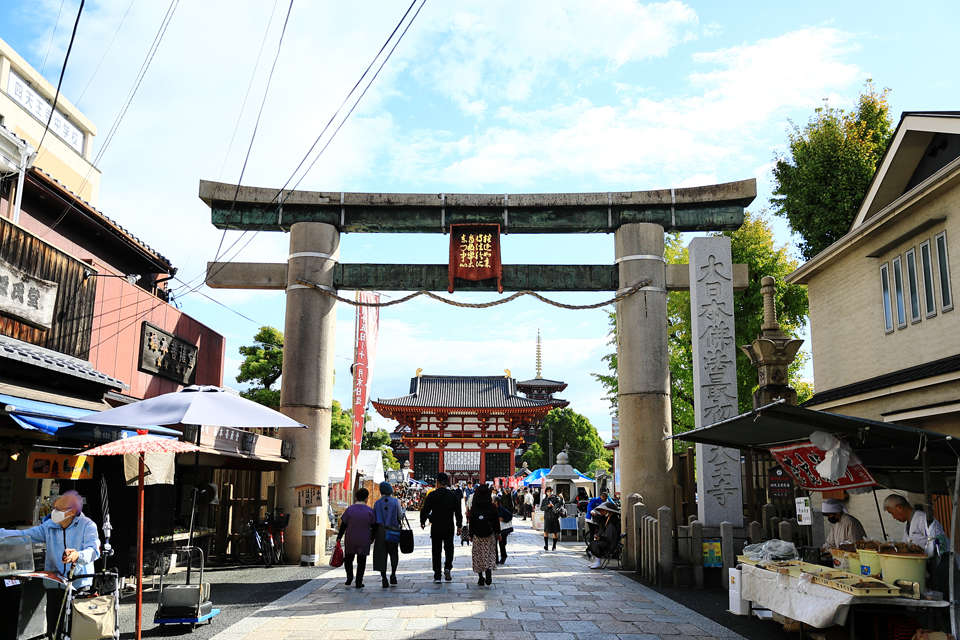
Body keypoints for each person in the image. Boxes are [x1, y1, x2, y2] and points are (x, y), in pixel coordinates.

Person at [0, 490, 101, 638]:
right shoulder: (49, 526)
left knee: (77, 630)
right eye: (54, 508)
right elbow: (23, 535)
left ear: (72, 511)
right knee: (55, 628)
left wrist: (78, 555)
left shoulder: (87, 525)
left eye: (58, 509)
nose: (54, 512)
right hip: (54, 584)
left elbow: (93, 551)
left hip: (78, 584)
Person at [884, 493, 950, 590]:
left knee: (945, 593)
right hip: (930, 565)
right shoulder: (909, 524)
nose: (893, 517)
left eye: (892, 513)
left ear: (899, 507)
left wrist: (925, 553)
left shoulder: (922, 518)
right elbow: (906, 545)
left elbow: (941, 542)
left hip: (943, 563)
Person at [420, 472, 463, 583]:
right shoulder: (453, 495)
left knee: (436, 550)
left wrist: (422, 521)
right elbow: (458, 512)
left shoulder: (432, 495)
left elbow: (425, 509)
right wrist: (459, 525)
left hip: (436, 526)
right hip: (449, 526)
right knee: (449, 548)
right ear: (447, 482)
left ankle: (437, 576)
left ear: (437, 482)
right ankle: (448, 567)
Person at [337, 488, 376, 588]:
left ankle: (349, 575)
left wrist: (339, 537)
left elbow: (343, 525)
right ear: (367, 499)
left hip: (351, 538)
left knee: (348, 559)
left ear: (355, 497)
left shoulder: (350, 509)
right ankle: (359, 581)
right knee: (361, 561)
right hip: (364, 538)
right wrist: (372, 538)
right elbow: (374, 526)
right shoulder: (370, 511)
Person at [468, 484, 501, 586]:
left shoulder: (474, 507)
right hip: (489, 535)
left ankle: (480, 577)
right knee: (489, 554)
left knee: (478, 556)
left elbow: (471, 522)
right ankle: (488, 570)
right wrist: (498, 533)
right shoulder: (492, 507)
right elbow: (496, 522)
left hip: (477, 535)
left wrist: (470, 534)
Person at [373, 481, 402, 588]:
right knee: (393, 553)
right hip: (393, 529)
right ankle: (393, 574)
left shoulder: (377, 503)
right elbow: (400, 516)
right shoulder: (395, 501)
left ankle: (384, 578)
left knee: (381, 553)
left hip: (380, 530)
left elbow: (374, 518)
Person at [588, 503, 621, 569]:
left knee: (596, 544)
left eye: (603, 510)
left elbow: (609, 535)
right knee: (593, 542)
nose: (601, 512)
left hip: (611, 542)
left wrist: (601, 538)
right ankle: (596, 561)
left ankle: (598, 563)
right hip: (607, 540)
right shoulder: (607, 518)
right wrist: (598, 536)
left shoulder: (613, 520)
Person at [540, 486, 564, 551]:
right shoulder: (544, 500)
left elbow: (561, 504)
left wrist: (562, 498)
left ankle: (554, 546)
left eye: (550, 491)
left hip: (554, 517)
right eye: (548, 491)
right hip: (547, 517)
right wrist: (547, 506)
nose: (549, 492)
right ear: (546, 492)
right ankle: (546, 545)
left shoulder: (556, 498)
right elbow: (541, 508)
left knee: (555, 532)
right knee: (546, 531)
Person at [495, 494, 513, 564]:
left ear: (496, 502)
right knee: (494, 544)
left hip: (502, 529)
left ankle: (503, 556)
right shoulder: (492, 509)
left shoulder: (502, 509)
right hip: (494, 528)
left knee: (502, 544)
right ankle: (495, 559)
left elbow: (510, 516)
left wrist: (503, 519)